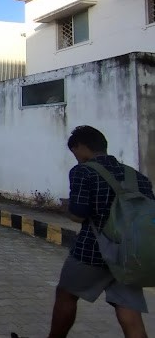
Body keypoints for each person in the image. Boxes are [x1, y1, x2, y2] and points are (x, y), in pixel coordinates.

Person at [45, 125, 153, 338]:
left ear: (81, 146)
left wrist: (68, 207)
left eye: (74, 151)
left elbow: (79, 214)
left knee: (66, 295)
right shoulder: (138, 177)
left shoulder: (83, 171)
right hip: (129, 255)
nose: (75, 157)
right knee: (129, 311)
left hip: (92, 252)